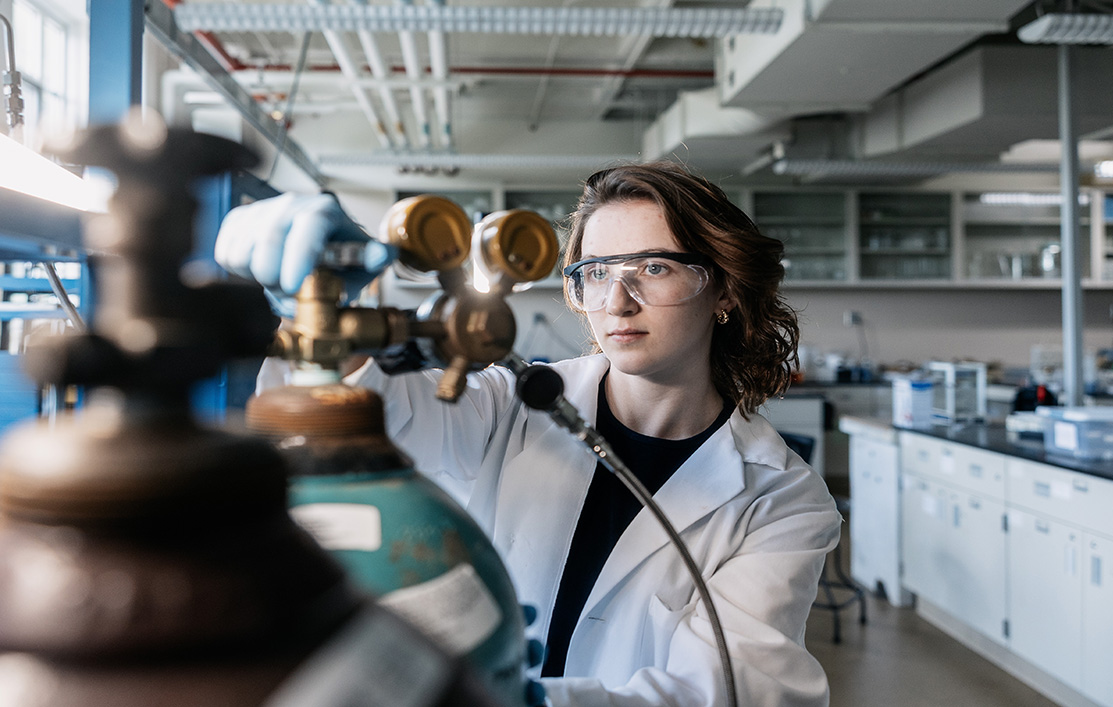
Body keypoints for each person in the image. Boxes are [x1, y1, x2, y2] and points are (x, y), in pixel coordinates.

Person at [215, 161, 842, 707]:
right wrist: (316, 310)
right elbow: (377, 408)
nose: (617, 301)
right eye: (595, 272)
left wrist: (512, 698)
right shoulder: (509, 403)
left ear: (724, 286)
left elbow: (730, 691)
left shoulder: (781, 502)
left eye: (653, 267)